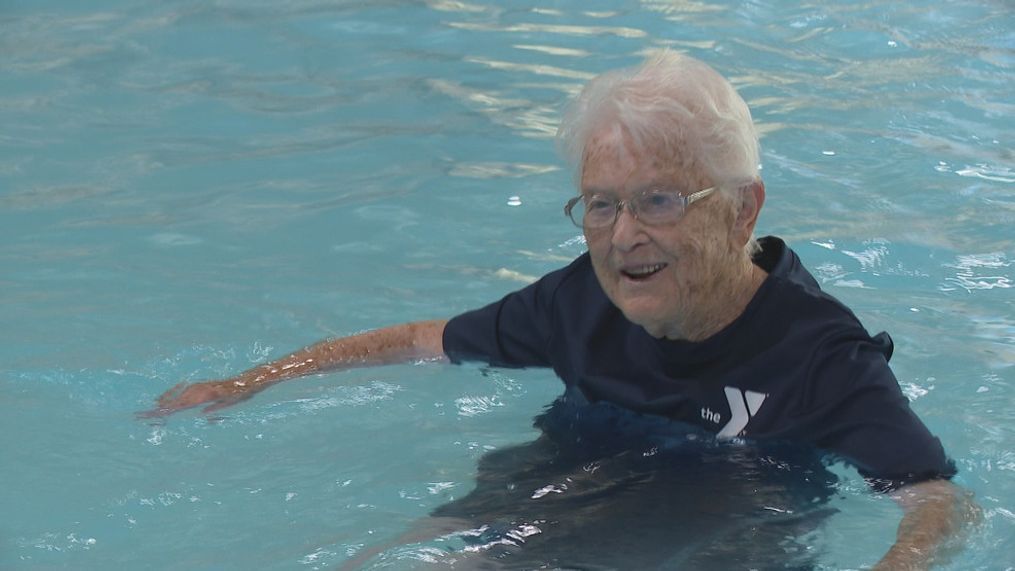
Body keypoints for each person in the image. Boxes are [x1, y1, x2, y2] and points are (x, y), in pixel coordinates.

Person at [142, 51, 976, 569]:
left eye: (656, 199)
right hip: (553, 488)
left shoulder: (821, 358)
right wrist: (253, 380)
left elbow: (934, 498)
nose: (622, 237)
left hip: (725, 526)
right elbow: (421, 340)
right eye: (600, 205)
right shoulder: (579, 298)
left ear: (741, 208)